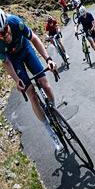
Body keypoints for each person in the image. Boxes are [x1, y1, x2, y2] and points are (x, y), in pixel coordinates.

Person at [0, 9, 64, 152]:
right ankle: (49, 131)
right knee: (31, 94)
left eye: (5, 30)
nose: (5, 36)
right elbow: (6, 63)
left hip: (26, 50)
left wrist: (48, 59)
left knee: (45, 85)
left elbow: (34, 38)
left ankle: (55, 112)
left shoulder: (15, 22)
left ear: (7, 24)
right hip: (14, 61)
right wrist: (17, 80)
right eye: (0, 35)